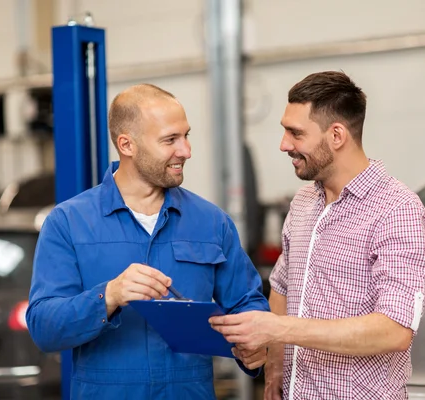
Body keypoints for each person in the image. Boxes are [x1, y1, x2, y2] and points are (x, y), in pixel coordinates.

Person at [26, 83, 270, 399]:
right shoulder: (68, 223)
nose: (186, 150)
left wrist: (254, 345)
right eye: (170, 140)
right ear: (127, 145)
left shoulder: (211, 222)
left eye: (186, 135)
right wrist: (109, 296)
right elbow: (44, 327)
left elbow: (247, 303)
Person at [209, 71, 425, 399]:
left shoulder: (397, 210)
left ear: (337, 135)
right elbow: (283, 289)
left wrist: (279, 329)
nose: (284, 145)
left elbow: (394, 330)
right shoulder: (303, 202)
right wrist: (274, 366)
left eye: (295, 133)